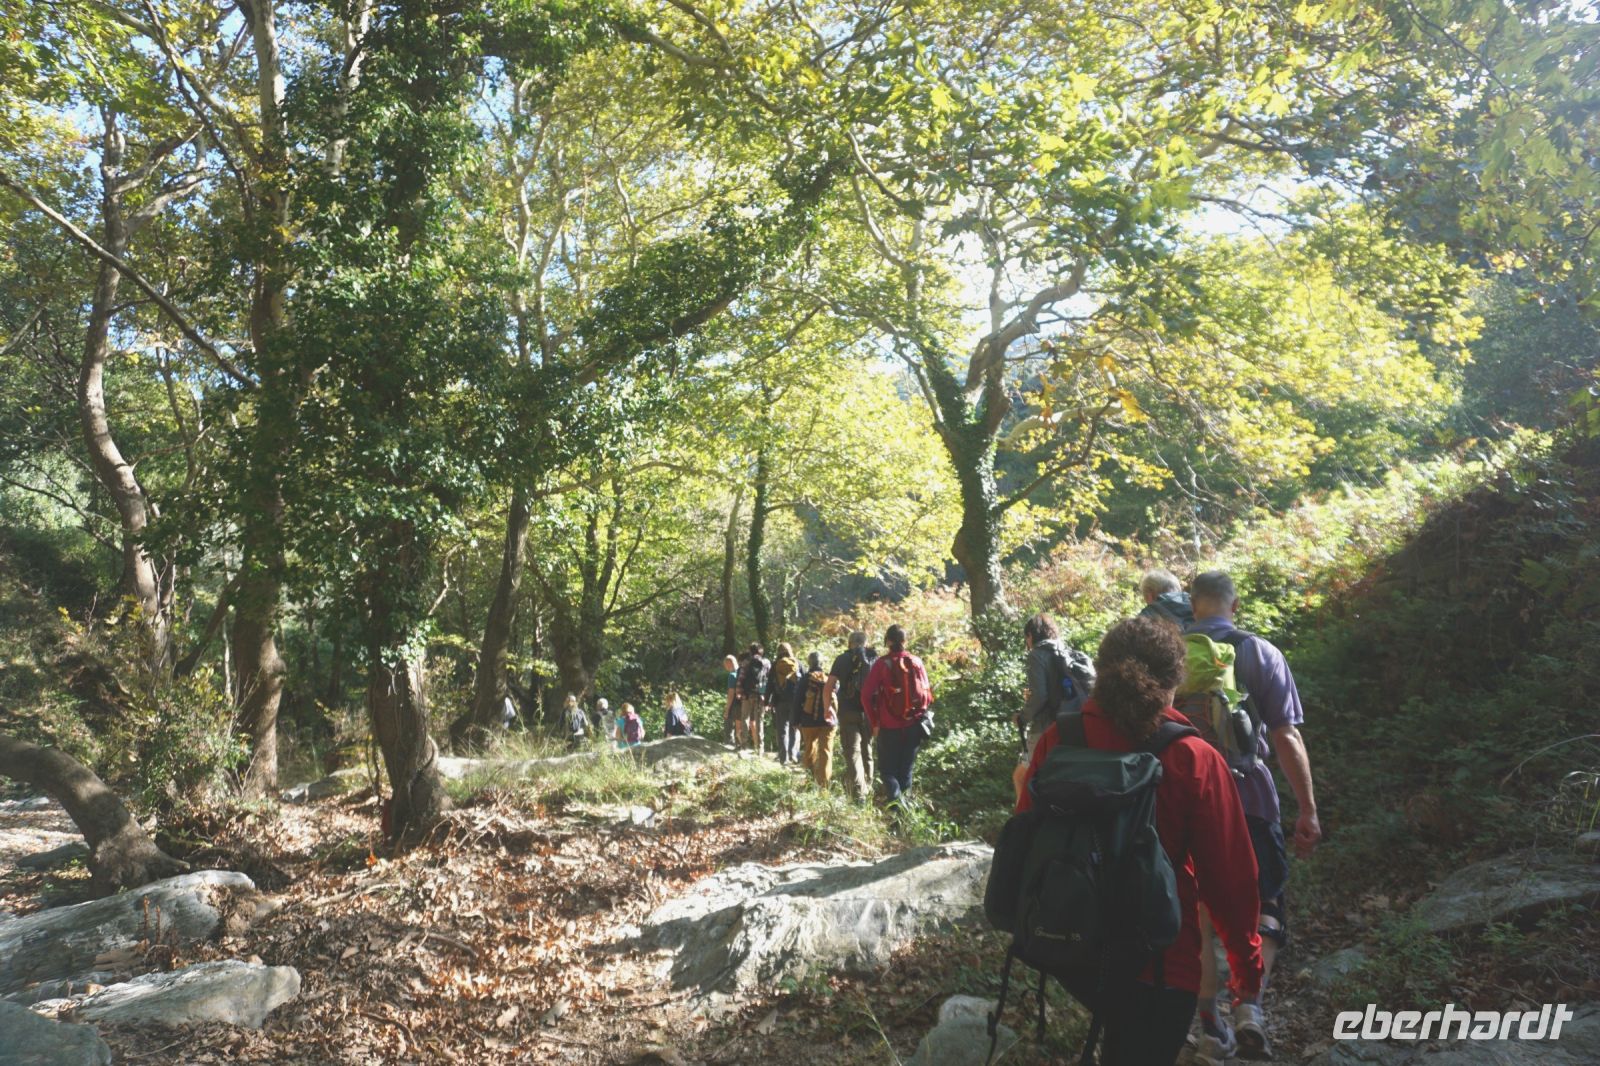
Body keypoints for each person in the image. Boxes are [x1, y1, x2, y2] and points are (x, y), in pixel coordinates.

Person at [1016, 616, 1265, 1066]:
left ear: (1102, 668)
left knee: (1121, 1041)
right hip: (1161, 959)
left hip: (1073, 942)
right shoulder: (1193, 757)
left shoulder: (1060, 737)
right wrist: (1246, 967)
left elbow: (1026, 834)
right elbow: (1229, 876)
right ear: (1174, 683)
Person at [1186, 570, 1321, 1060]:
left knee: (1201, 914)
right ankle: (1250, 1008)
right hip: (1249, 796)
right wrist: (1307, 809)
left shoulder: (1165, 655)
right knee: (1266, 903)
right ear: (1234, 604)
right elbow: (1286, 736)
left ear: (1192, 603)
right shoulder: (1260, 652)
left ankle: (1209, 1026)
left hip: (1185, 801)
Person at [861, 624, 933, 806]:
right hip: (914, 725)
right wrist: (917, 716)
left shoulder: (881, 664)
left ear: (888, 641)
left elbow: (865, 695)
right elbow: (927, 694)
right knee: (906, 770)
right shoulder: (916, 662)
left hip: (888, 726)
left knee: (887, 771)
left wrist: (875, 721)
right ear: (904, 641)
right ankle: (905, 813)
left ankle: (897, 807)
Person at [1011, 613, 1071, 803]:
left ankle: (1023, 825)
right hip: (1070, 723)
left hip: (1044, 727)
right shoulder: (1065, 651)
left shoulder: (1037, 655)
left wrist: (1022, 717)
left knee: (1021, 778)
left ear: (1030, 635)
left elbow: (1039, 696)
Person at [826, 631, 877, 802]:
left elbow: (829, 686)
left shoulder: (841, 659)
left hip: (847, 711)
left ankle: (859, 794)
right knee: (867, 749)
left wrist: (827, 708)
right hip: (869, 712)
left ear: (849, 643)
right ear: (865, 642)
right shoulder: (873, 659)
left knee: (852, 752)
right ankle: (868, 787)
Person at [795, 651, 837, 789]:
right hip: (828, 722)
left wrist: (795, 721)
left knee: (809, 749)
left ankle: (809, 783)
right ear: (822, 663)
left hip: (808, 721)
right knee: (826, 752)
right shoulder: (829, 678)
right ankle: (824, 786)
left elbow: (797, 700)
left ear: (809, 663)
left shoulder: (805, 678)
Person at [769, 643, 803, 763]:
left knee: (782, 730)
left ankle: (783, 758)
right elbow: (804, 681)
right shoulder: (797, 663)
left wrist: (768, 701)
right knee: (795, 728)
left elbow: (770, 684)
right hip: (795, 701)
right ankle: (793, 754)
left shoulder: (775, 665)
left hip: (780, 701)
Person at [736, 643, 770, 753]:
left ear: (750, 651)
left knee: (745, 718)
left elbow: (741, 678)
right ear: (761, 651)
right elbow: (769, 680)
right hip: (761, 695)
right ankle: (760, 748)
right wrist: (768, 697)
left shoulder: (746, 662)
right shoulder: (766, 663)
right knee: (759, 720)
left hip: (747, 695)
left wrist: (739, 692)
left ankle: (744, 745)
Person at [721, 654, 740, 745]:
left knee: (728, 721)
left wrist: (727, 709)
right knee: (738, 723)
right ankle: (739, 743)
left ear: (729, 663)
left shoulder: (732, 675)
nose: (725, 667)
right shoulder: (741, 672)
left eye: (725, 664)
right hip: (742, 702)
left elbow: (731, 693)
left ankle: (729, 743)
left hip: (734, 703)